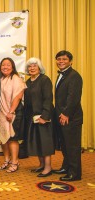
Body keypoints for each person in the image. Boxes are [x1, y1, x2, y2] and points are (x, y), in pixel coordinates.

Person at [52, 50, 83, 181]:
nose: (61, 61)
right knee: (64, 145)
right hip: (61, 117)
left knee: (72, 146)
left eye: (64, 59)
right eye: (59, 59)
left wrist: (65, 114)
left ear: (70, 61)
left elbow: (73, 98)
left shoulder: (74, 76)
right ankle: (66, 167)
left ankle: (75, 173)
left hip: (71, 118)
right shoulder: (62, 75)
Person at [24, 57, 55, 177]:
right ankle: (41, 165)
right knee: (37, 141)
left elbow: (48, 99)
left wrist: (45, 116)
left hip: (43, 116)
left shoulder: (44, 80)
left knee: (45, 142)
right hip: (32, 118)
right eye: (30, 66)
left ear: (39, 68)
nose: (32, 68)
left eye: (34, 66)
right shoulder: (27, 82)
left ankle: (48, 167)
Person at [0, 57, 25, 173]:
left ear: (12, 67)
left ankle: (14, 161)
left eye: (8, 65)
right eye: (3, 65)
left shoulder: (16, 79)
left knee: (13, 139)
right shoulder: (0, 79)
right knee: (3, 138)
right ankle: (6, 160)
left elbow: (18, 96)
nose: (5, 67)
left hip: (13, 113)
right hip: (1, 113)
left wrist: (11, 111)